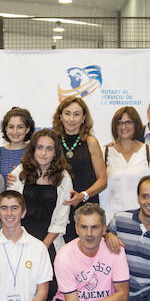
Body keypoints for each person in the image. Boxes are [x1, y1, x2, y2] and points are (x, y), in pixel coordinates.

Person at [8, 129, 73, 256]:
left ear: (55, 153)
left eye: (49, 149)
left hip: (49, 242)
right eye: (40, 147)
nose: (44, 153)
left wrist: (44, 246)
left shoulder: (64, 177)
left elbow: (62, 217)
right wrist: (21, 241)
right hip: (20, 239)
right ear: (33, 149)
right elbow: (11, 210)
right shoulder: (19, 172)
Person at [52, 96, 107, 242]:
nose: (71, 119)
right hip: (59, 207)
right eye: (67, 113)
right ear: (60, 116)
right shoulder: (52, 141)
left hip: (86, 208)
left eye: (76, 114)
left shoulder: (91, 142)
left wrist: (83, 195)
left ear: (83, 118)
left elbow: (103, 180)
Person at [99, 106, 150, 220]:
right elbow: (101, 194)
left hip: (143, 221)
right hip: (112, 222)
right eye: (119, 123)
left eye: (128, 122)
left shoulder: (149, 153)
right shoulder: (105, 153)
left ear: (136, 124)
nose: (123, 127)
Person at [0, 107, 35, 187]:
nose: (15, 132)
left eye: (20, 127)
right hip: (3, 198)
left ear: (27, 129)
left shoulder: (34, 151)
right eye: (11, 127)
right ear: (5, 129)